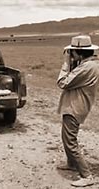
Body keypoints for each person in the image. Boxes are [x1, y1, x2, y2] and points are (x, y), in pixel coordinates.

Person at [57, 35, 99, 187]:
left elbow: (62, 82)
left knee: (70, 141)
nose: (70, 55)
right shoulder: (90, 65)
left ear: (77, 53)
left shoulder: (86, 68)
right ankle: (71, 163)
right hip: (76, 105)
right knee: (66, 137)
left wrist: (66, 64)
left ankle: (86, 175)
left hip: (75, 107)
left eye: (72, 52)